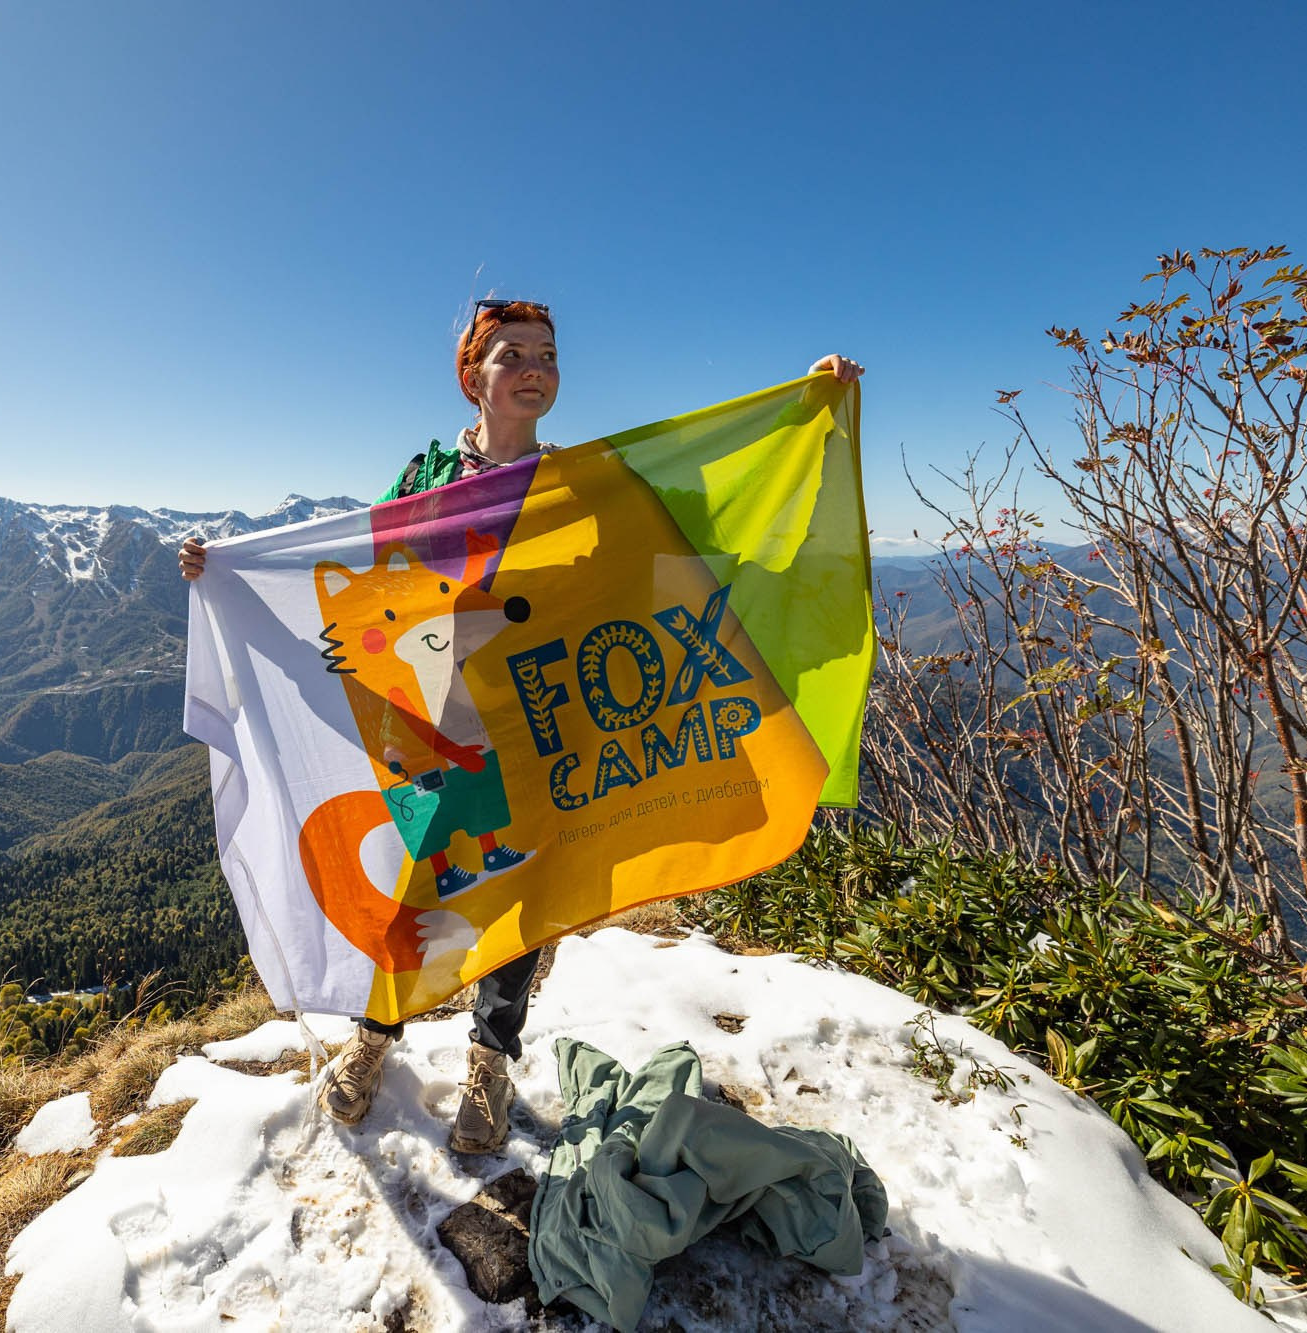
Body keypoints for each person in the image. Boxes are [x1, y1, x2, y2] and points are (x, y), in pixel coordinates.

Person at [180, 300, 862, 1153]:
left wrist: (803, 415)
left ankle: (489, 1060)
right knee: (409, 878)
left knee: (518, 888)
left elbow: (697, 517)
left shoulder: (578, 483)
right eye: (514, 355)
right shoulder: (425, 479)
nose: (535, 369)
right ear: (474, 376)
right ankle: (374, 1035)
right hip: (426, 720)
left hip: (540, 720)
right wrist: (224, 570)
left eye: (548, 354)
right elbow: (352, 568)